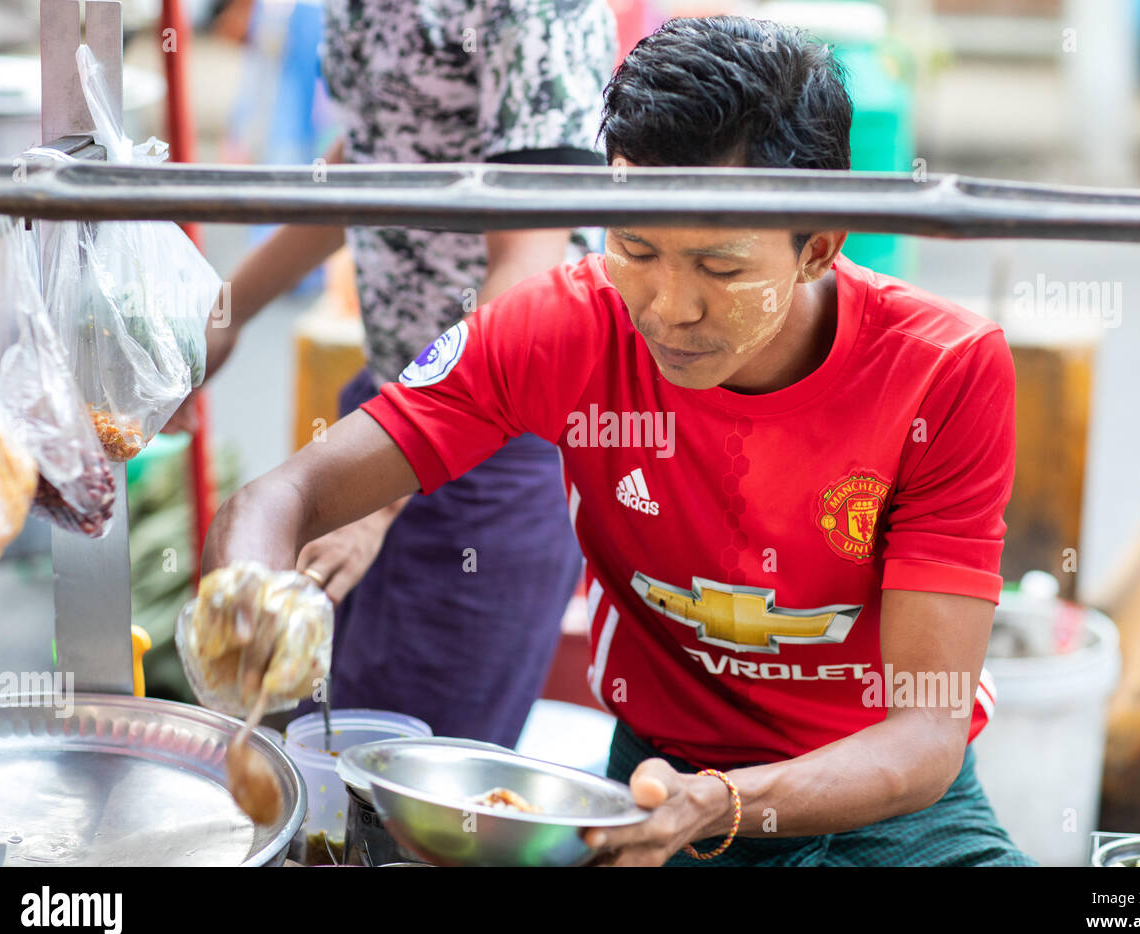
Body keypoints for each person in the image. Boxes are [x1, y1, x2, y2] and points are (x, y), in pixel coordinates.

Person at [202, 15, 1036, 866]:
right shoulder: (562, 327)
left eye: (720, 268)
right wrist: (250, 604)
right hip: (651, 795)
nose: (668, 308)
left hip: (885, 807)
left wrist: (723, 804)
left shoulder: (943, 371)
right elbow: (282, 497)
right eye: (634, 247)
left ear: (818, 247)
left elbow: (925, 737)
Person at [181, 0, 617, 747]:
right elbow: (384, 151)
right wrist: (231, 308)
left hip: (491, 448)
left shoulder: (540, 12)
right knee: (319, 740)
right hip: (385, 399)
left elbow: (528, 258)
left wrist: (379, 499)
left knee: (407, 796)